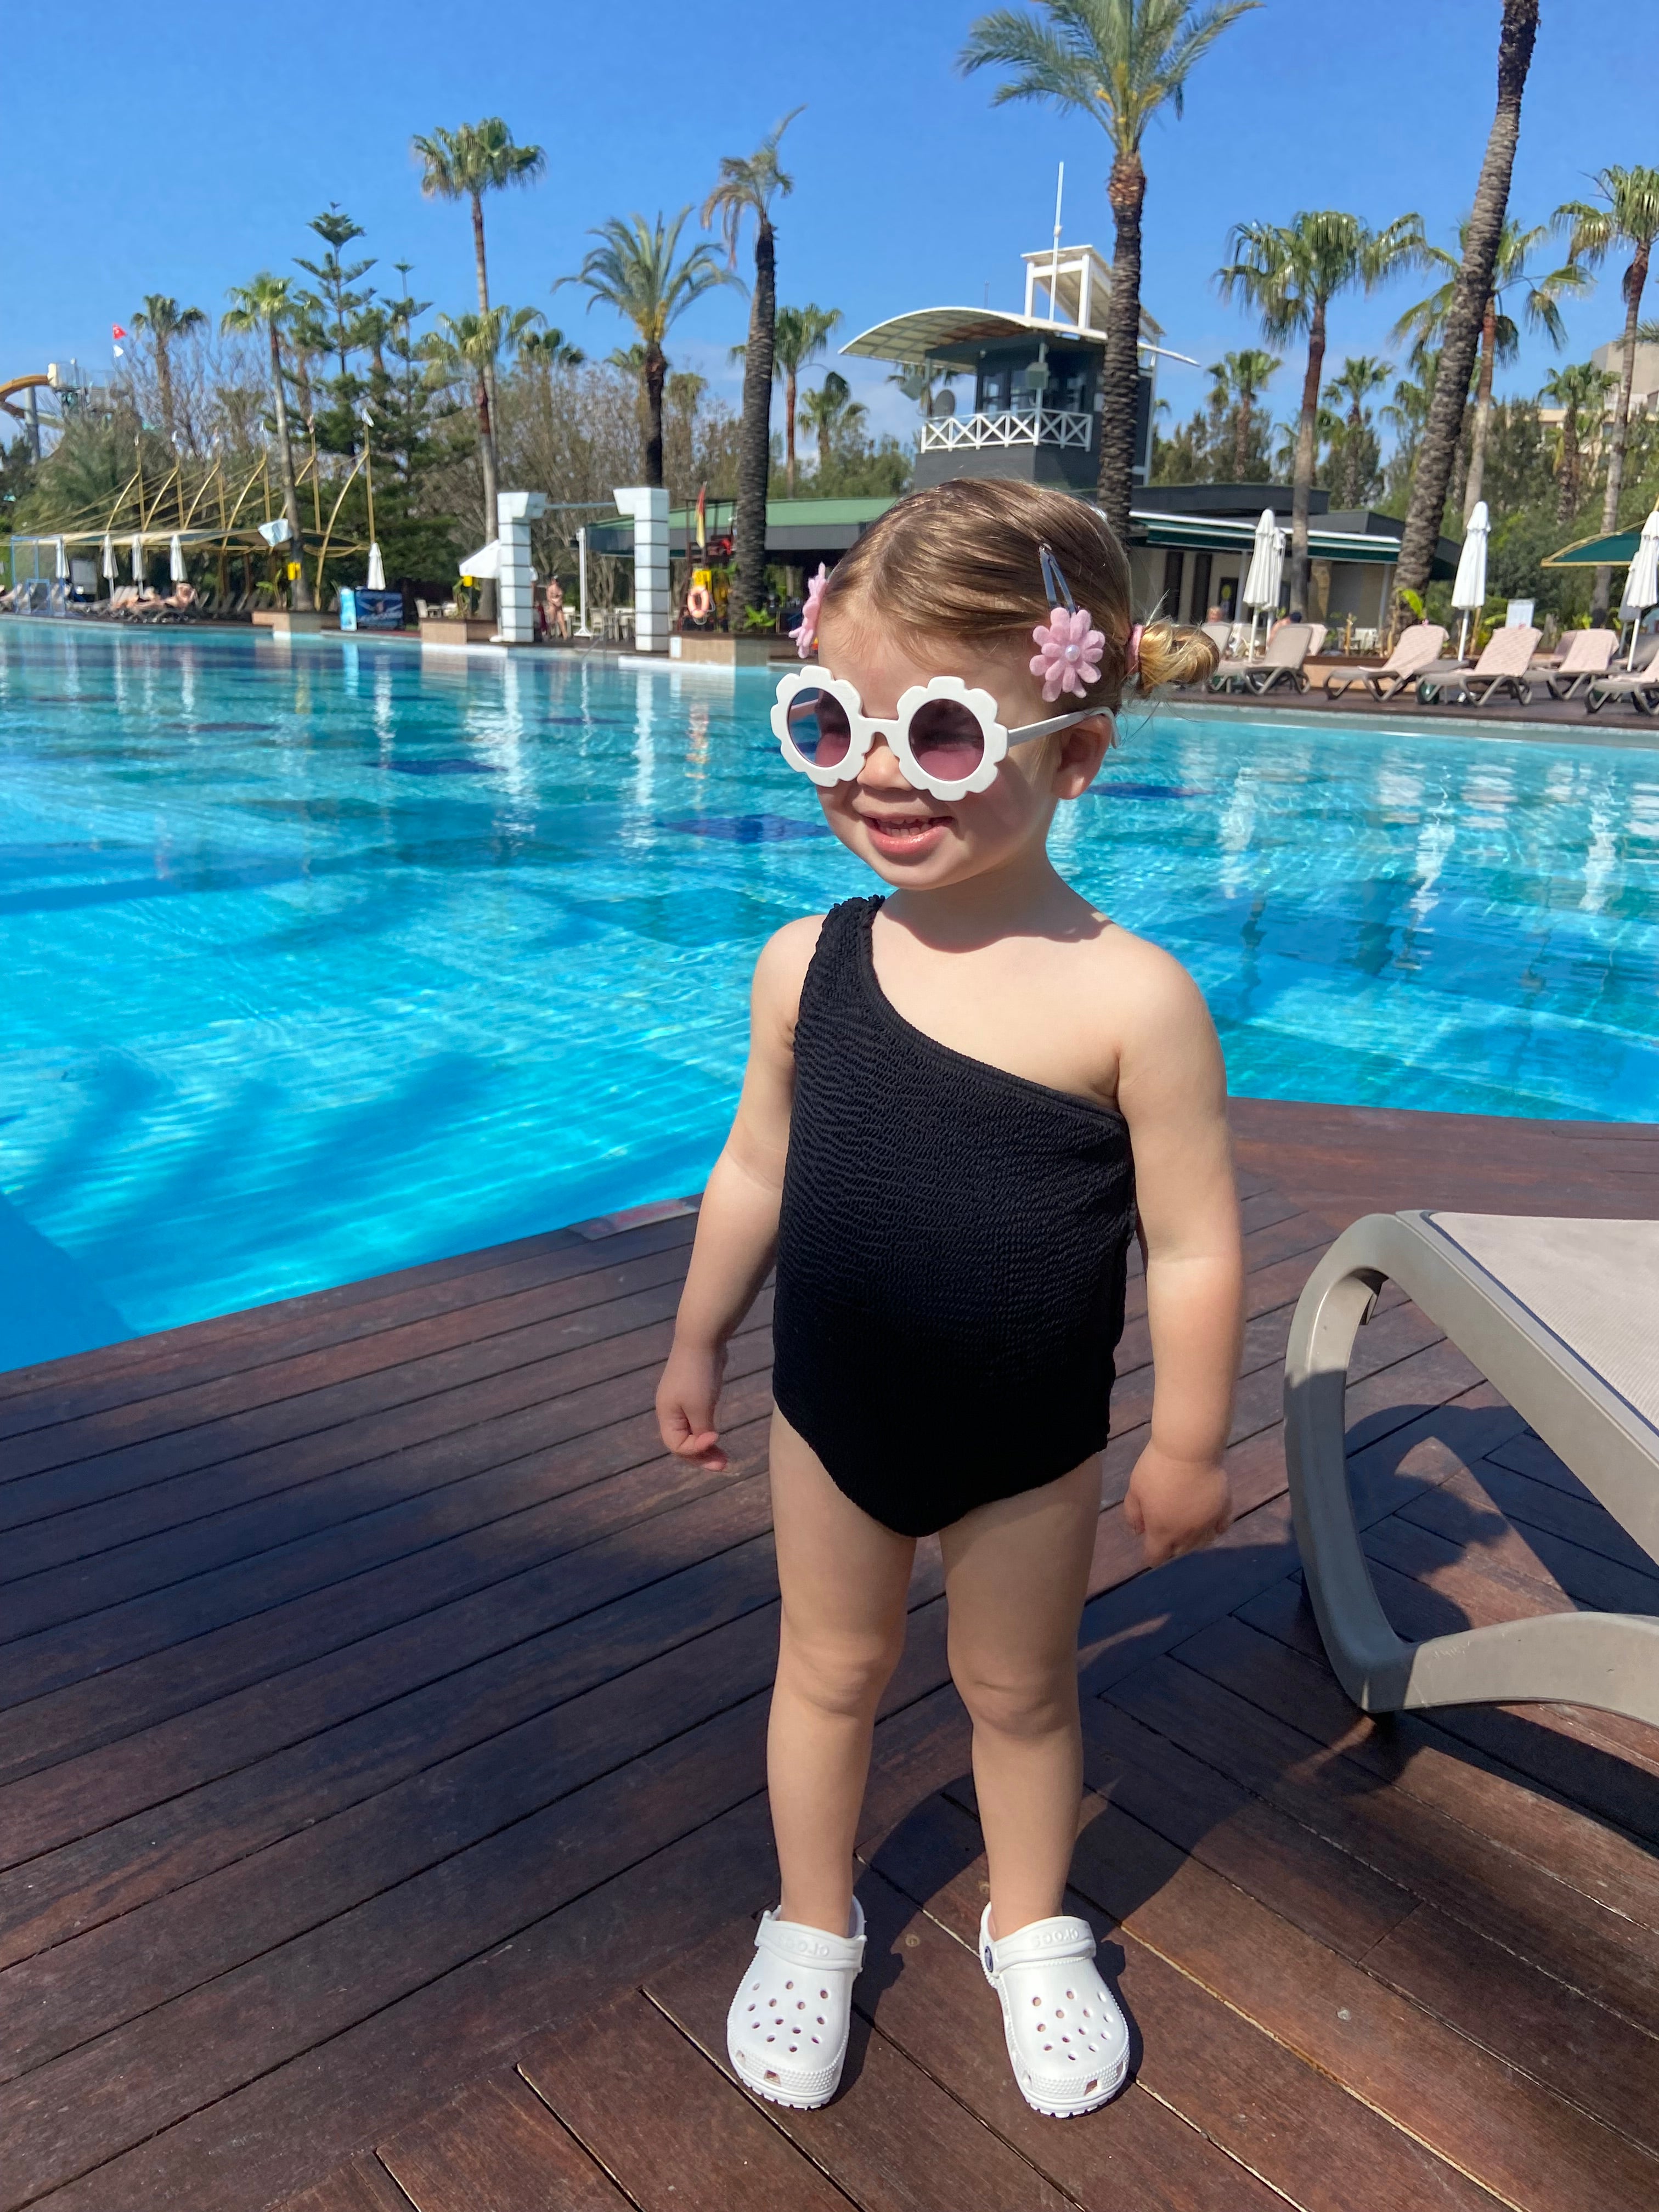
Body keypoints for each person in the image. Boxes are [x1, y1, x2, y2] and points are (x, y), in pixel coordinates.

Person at [655, 477, 1241, 2123]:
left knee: (1022, 1691)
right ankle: (813, 1916)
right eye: (832, 721)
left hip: (1030, 1441)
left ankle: (1035, 1923)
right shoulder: (804, 963)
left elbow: (1192, 1243)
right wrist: (700, 1332)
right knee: (825, 1670)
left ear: (1076, 749)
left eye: (945, 735)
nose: (880, 777)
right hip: (831, 1413)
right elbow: (756, 1168)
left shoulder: (1134, 1000)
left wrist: (1188, 1442)